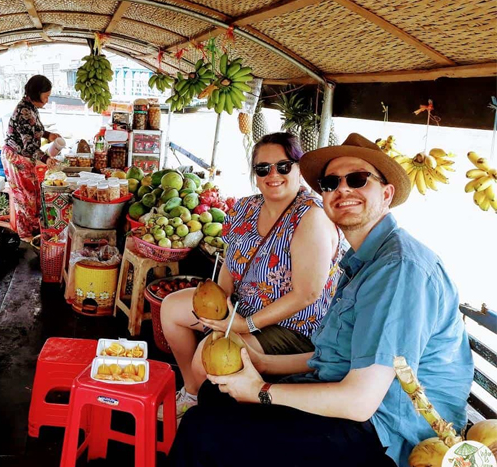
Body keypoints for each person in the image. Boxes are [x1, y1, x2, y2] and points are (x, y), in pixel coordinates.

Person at [168, 133, 474, 467]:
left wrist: (261, 390)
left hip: (388, 433)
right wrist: (265, 365)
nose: (343, 190)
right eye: (331, 182)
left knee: (204, 429)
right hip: (350, 401)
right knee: (214, 397)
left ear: (386, 194)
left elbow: (359, 401)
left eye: (358, 180)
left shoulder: (399, 269)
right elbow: (339, 358)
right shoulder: (362, 262)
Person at [159, 132, 344, 419]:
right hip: (243, 308)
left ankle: (197, 406)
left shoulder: (311, 217)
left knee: (204, 358)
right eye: (263, 168)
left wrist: (245, 325)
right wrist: (221, 308)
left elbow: (307, 293)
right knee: (172, 308)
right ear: (254, 174)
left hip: (293, 325)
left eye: (284, 166)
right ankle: (191, 392)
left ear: (299, 170)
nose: (274, 175)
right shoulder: (246, 208)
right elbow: (231, 264)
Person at [2, 75, 61, 241]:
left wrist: (48, 135)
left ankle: (34, 230)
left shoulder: (31, 107)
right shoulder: (25, 111)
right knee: (25, 197)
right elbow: (29, 146)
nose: (47, 100)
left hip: (25, 155)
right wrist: (46, 158)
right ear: (37, 93)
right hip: (16, 156)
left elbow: (34, 130)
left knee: (33, 194)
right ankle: (26, 236)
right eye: (46, 96)